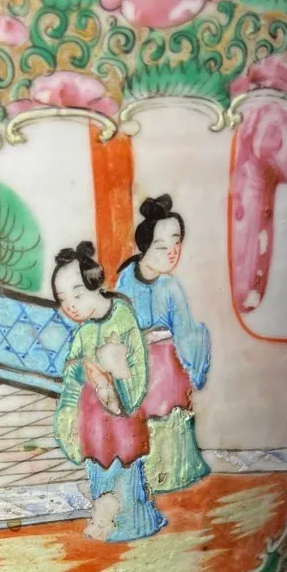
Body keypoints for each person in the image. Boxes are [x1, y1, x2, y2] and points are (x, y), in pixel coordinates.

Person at [52, 242, 166, 542]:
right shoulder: (84, 332)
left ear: (95, 283)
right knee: (98, 461)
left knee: (124, 460)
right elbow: (72, 377)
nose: (71, 306)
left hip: (121, 410)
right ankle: (104, 519)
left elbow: (137, 366)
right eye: (64, 299)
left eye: (77, 295)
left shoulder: (123, 316)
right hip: (92, 414)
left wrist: (116, 371)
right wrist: (69, 410)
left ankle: (133, 520)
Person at [116, 195, 211, 492]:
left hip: (167, 364)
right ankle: (144, 476)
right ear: (145, 247)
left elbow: (186, 333)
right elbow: (119, 323)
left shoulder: (171, 286)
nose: (172, 253)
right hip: (136, 361)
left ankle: (172, 474)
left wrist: (194, 366)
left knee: (168, 411)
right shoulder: (126, 280)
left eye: (176, 244)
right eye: (161, 247)